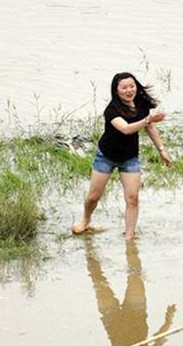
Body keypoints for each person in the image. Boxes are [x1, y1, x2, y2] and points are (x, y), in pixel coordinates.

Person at [71, 72, 172, 241]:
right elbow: (126, 129)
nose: (129, 90)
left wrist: (161, 150)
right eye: (124, 87)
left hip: (130, 158)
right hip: (106, 156)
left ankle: (129, 237)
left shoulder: (141, 104)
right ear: (116, 91)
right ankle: (86, 219)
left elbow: (151, 128)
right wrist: (147, 120)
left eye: (132, 86)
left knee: (132, 198)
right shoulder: (111, 110)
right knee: (94, 196)